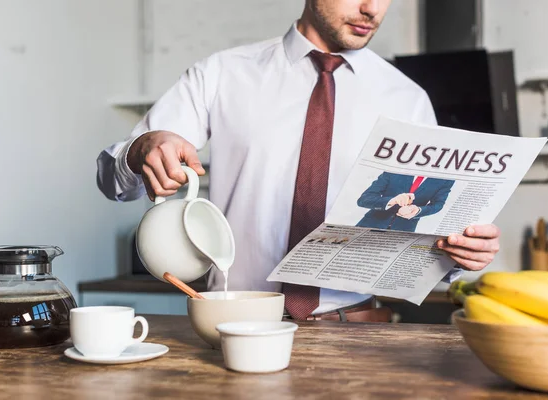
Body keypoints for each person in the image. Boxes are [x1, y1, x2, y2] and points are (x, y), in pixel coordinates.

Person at [96, 0, 501, 322]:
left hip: (354, 332)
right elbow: (113, 180)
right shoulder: (223, 74)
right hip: (235, 323)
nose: (372, 9)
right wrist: (143, 147)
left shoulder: (406, 99)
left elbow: (422, 232)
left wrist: (458, 252)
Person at [356, 172, 455, 232]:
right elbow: (364, 199)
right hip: (369, 225)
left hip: (403, 232)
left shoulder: (446, 179)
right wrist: (392, 201)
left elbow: (438, 204)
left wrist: (418, 210)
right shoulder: (395, 170)